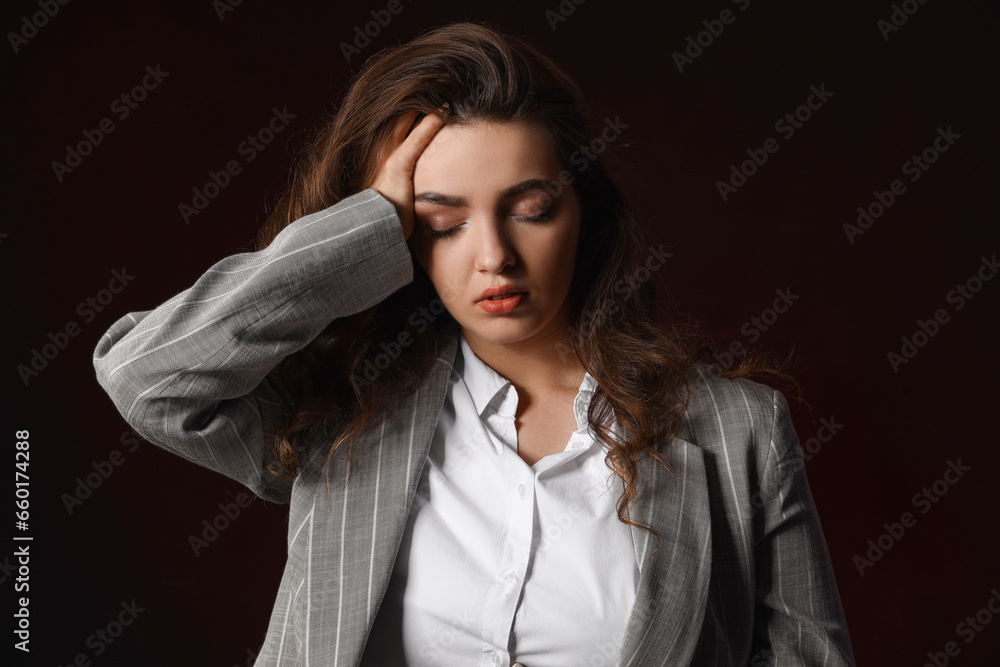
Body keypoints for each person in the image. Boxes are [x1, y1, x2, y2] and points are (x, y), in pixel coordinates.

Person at [93, 21, 854, 667]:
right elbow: (147, 377)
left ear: (580, 211)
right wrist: (365, 229)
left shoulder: (738, 431)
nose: (493, 255)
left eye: (530, 208)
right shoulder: (347, 412)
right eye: (443, 222)